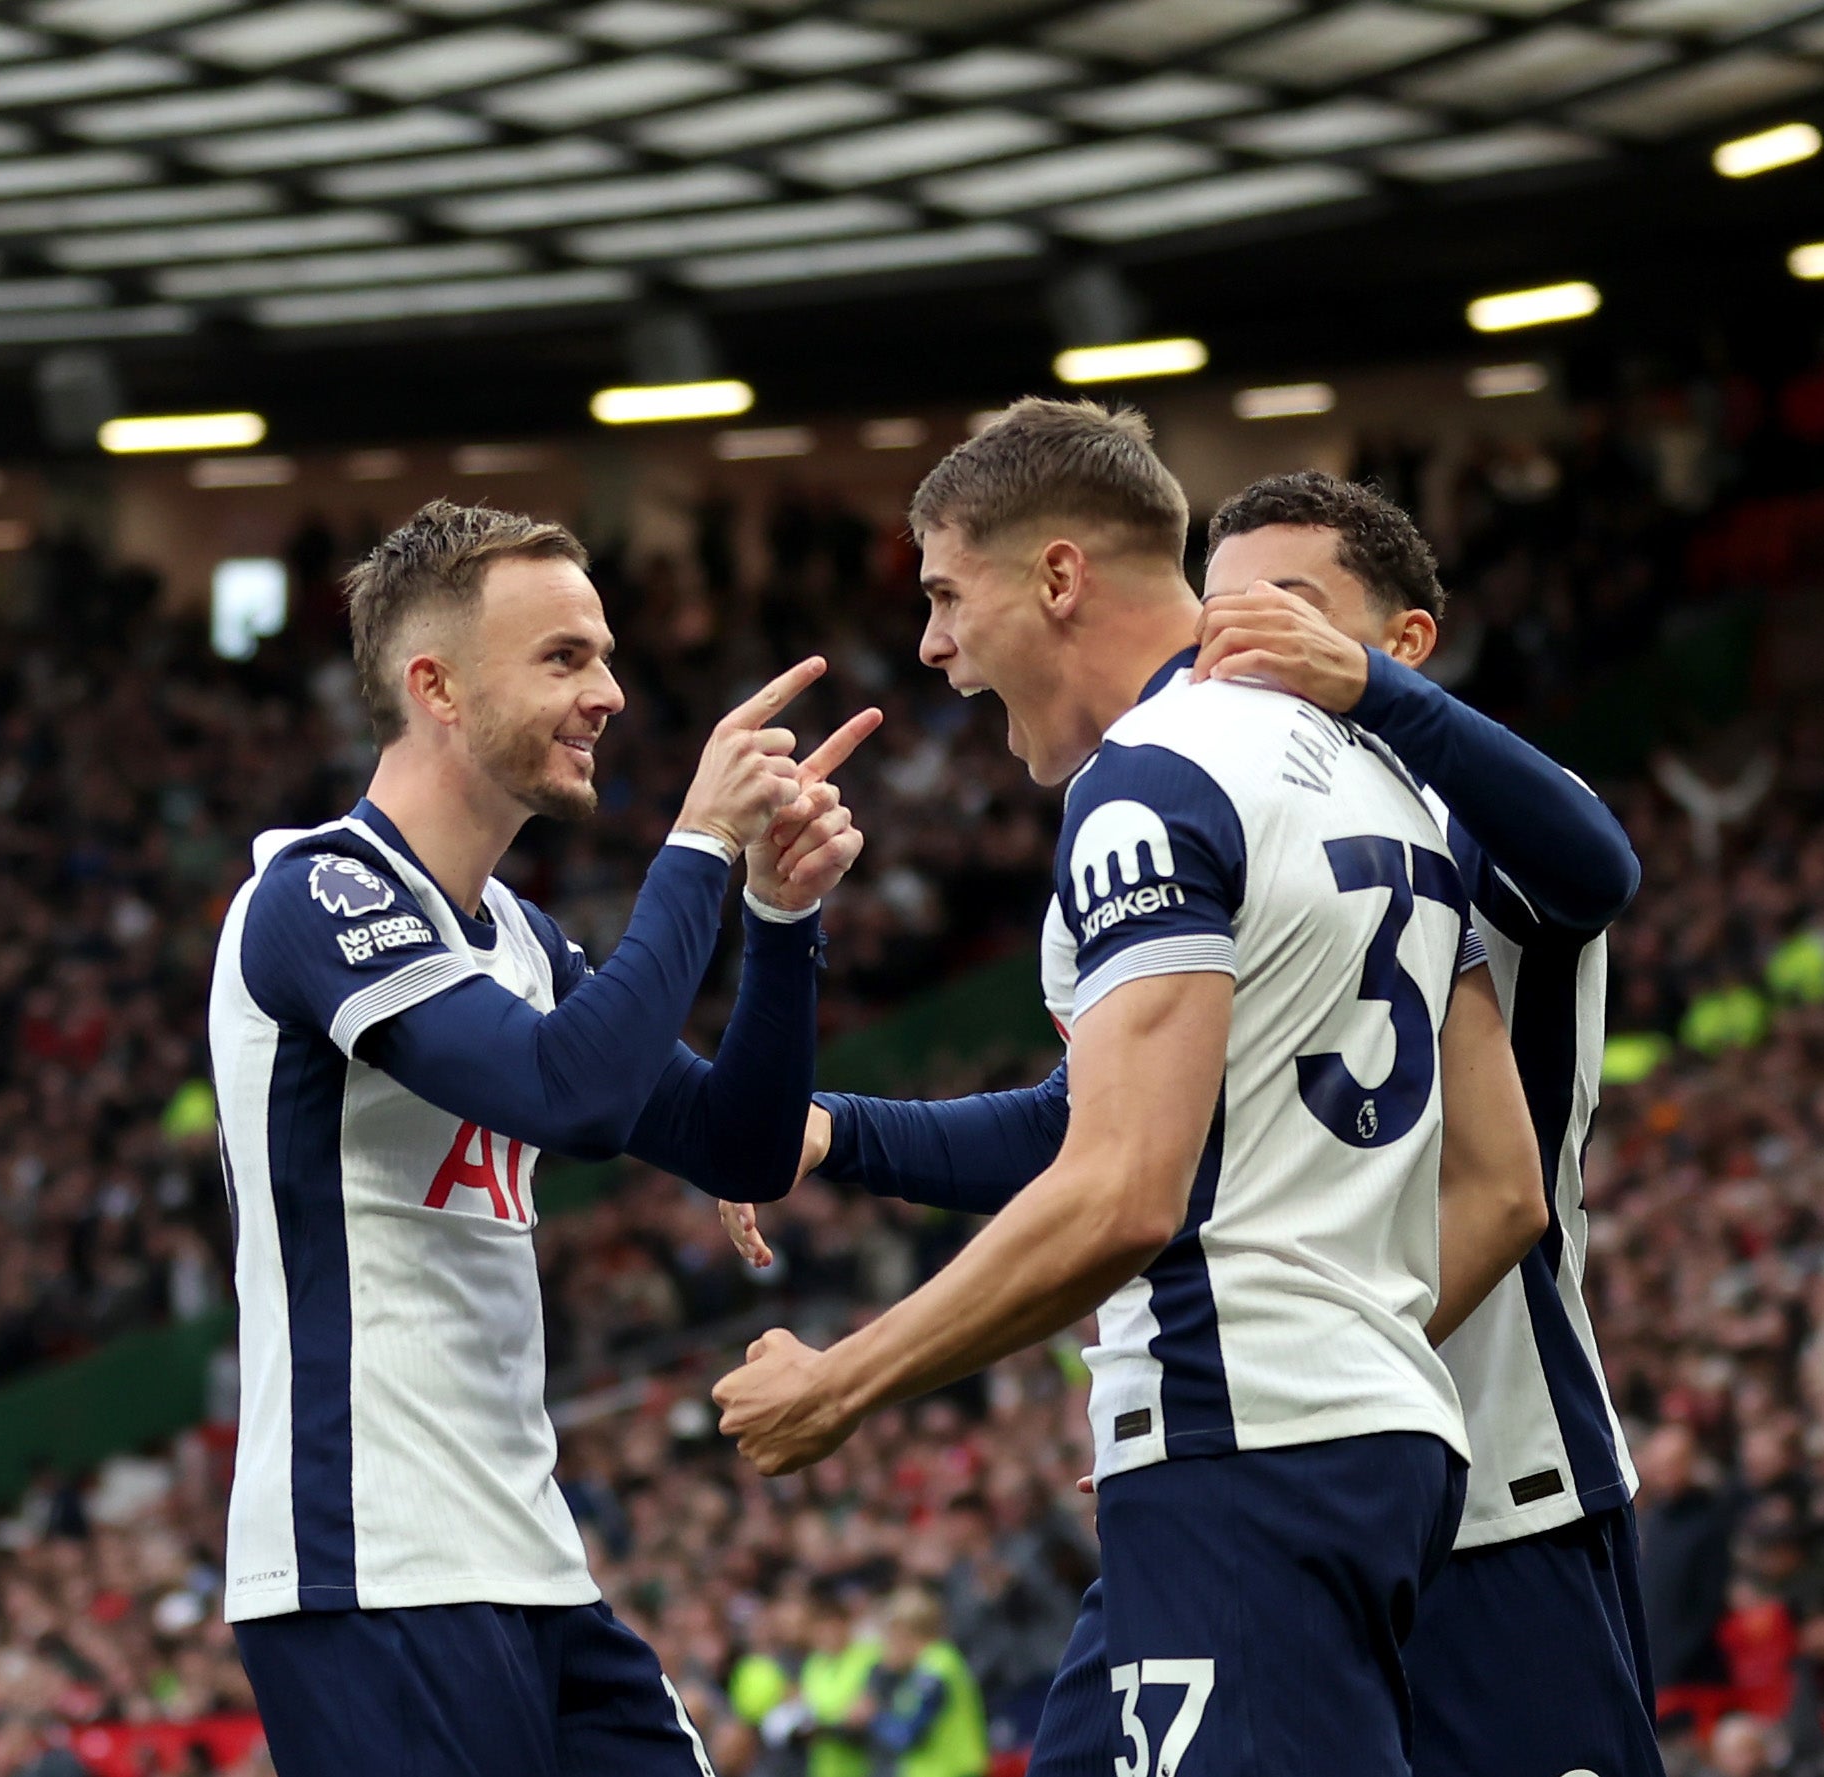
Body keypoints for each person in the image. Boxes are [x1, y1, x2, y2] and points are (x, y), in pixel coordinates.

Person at [743, 472, 1660, 1777]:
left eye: (1284, 609)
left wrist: (1250, 1368)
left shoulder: (1438, 789)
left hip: (1488, 1471)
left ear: (1396, 644)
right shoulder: (1238, 796)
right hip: (1303, 1434)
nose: (1237, 636)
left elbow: (1594, 876)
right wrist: (835, 1133)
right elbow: (1091, 1124)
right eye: (1219, 603)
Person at [214, 499, 877, 1777]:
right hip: (370, 1564)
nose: (611, 694)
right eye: (566, 658)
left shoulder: (515, 938)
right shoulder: (316, 891)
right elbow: (566, 1096)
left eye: (607, 656)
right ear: (438, 688)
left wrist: (780, 920)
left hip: (526, 1556)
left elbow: (735, 1147)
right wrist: (695, 843)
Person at [864, 1589, 989, 1777]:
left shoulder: (935, 1667)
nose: (885, 1646)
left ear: (903, 1631)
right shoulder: (926, 1665)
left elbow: (905, 1735)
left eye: (888, 1636)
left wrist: (872, 1716)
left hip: (952, 1771)